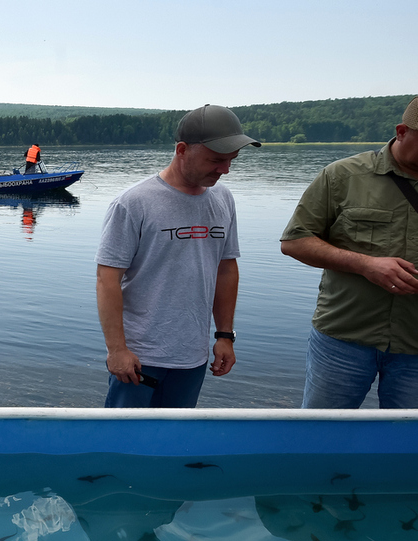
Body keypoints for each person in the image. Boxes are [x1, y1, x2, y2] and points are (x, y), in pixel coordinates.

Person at [95, 104, 260, 407]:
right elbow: (107, 279)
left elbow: (226, 269)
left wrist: (224, 335)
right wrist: (116, 350)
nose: (225, 170)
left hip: (192, 356)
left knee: (174, 442)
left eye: (231, 161)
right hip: (140, 357)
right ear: (182, 149)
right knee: (123, 442)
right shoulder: (133, 203)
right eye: (216, 160)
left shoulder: (223, 199)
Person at [280, 96, 418, 409]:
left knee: (408, 447)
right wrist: (366, 265)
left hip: (416, 348)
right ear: (401, 131)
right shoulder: (342, 177)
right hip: (343, 340)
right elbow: (294, 241)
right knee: (320, 436)